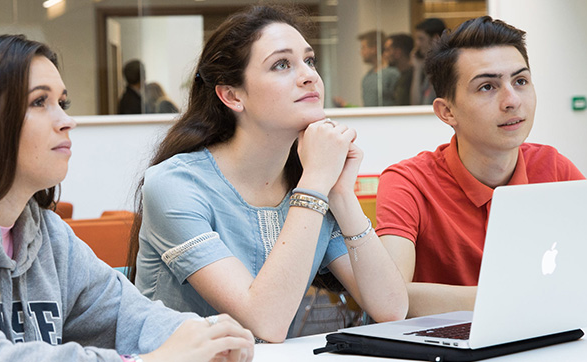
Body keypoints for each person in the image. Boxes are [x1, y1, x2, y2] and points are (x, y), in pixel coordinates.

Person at [0, 35, 255, 362]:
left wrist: (206, 337)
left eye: (63, 102)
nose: (66, 120)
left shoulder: (45, 232)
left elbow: (132, 317)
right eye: (40, 102)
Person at [131, 4, 408, 343]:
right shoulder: (174, 184)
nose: (309, 76)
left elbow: (391, 309)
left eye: (309, 60)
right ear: (232, 95)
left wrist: (340, 193)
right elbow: (265, 323)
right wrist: (316, 182)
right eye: (281, 64)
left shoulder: (311, 178)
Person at [375, 16, 587, 319]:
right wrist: (534, 292)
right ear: (447, 111)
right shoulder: (407, 182)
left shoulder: (552, 167)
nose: (512, 100)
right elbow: (393, 297)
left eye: (520, 81)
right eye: (487, 87)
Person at [334, 31, 399, 107]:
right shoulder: (368, 76)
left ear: (374, 49)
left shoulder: (392, 74)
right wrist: (346, 105)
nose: (361, 52)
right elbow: (367, 110)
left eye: (363, 47)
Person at [411, 18, 446, 105]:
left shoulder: (445, 68)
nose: (417, 44)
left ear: (435, 39)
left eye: (421, 39)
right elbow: (416, 104)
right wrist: (417, 69)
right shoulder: (427, 70)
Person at [384, 33, 415, 106]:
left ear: (398, 52)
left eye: (387, 50)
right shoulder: (400, 76)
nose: (385, 54)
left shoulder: (414, 76)